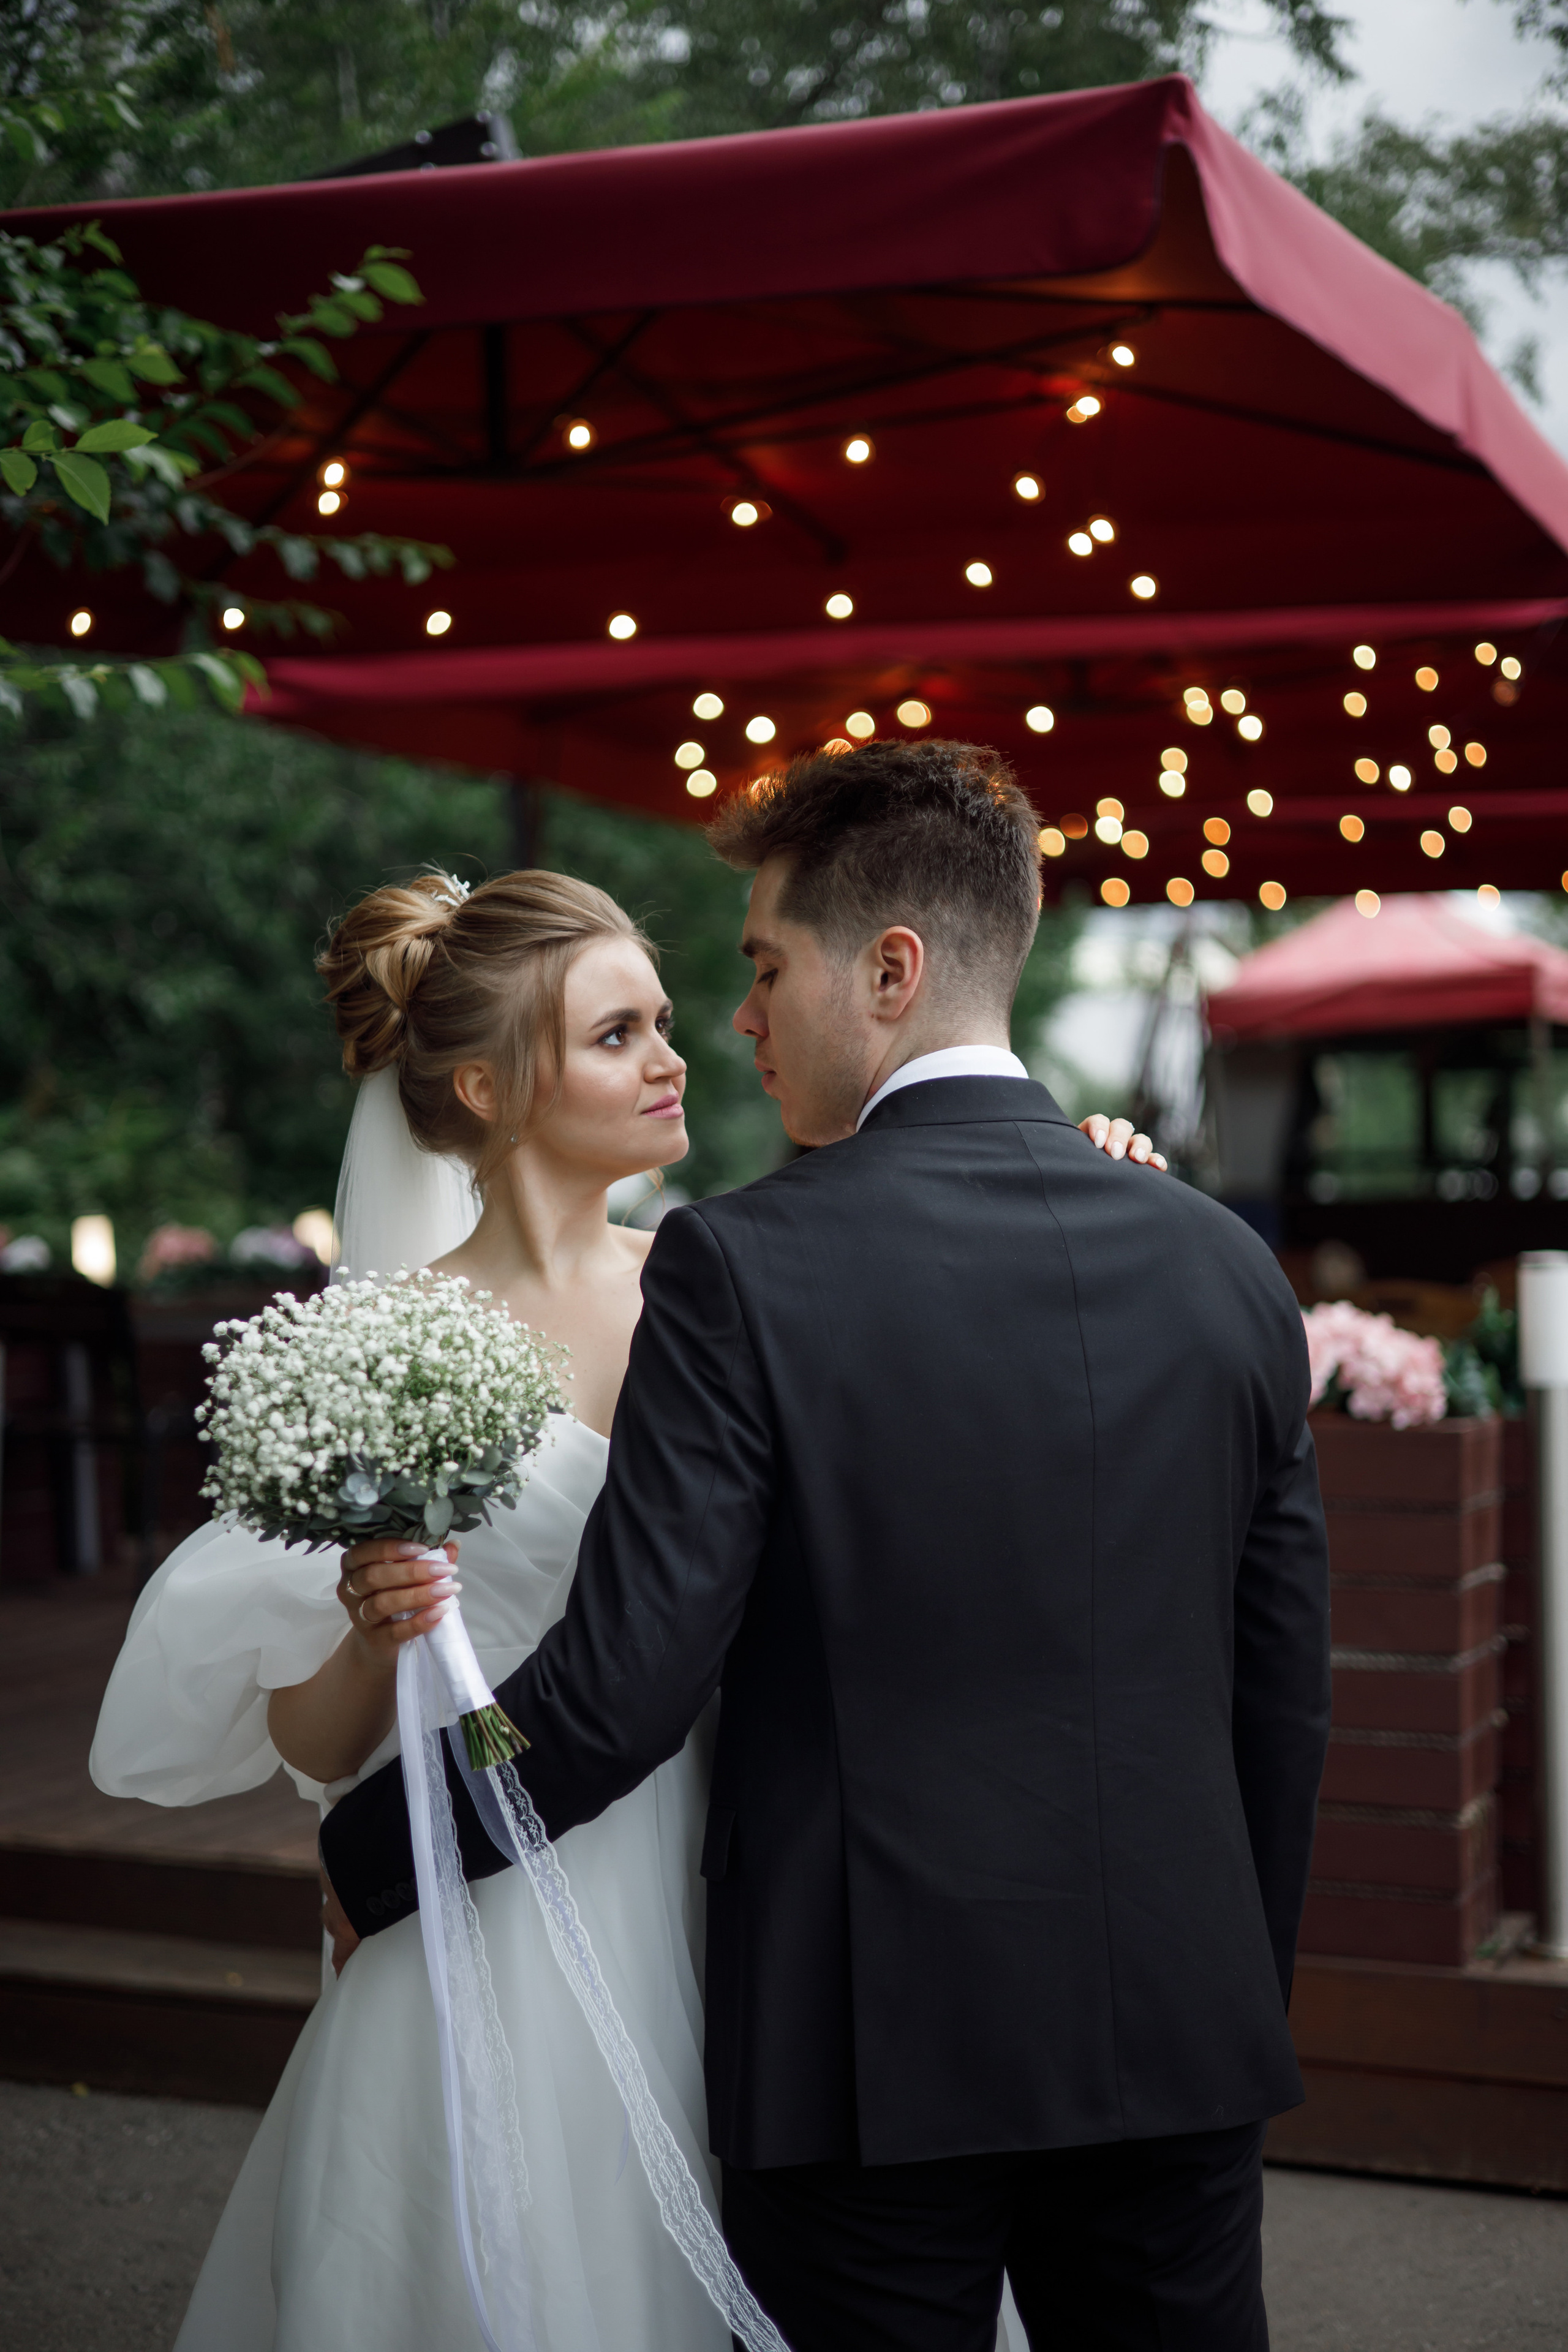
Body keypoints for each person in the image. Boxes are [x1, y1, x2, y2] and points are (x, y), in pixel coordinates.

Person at [323, 739, 1332, 2352]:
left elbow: (612, 1688)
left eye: (763, 966)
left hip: (869, 2048)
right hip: (1179, 2026)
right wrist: (1226, 1979)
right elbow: (1283, 1698)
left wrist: (382, 1842)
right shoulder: (1226, 1269)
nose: (740, 1018)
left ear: (889, 971)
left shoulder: (742, 1267)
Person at [91, 851, 1157, 2352]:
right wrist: (372, 1632)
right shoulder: (381, 1345)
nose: (676, 1056)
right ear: (484, 1088)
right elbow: (320, 1745)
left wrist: (1082, 1187)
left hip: (735, 1864)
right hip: (487, 1887)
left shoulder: (735, 1278)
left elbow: (948, 1356)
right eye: (616, 1034)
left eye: (662, 1019)